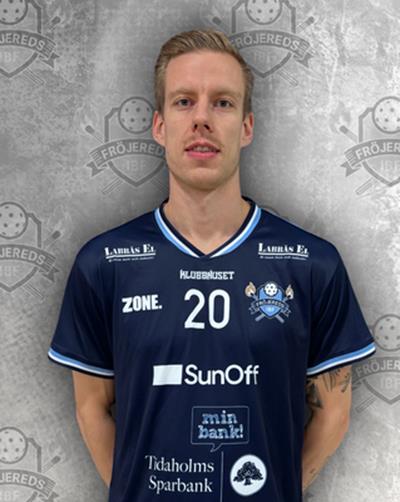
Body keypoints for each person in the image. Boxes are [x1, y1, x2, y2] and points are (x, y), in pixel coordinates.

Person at [47, 28, 376, 501]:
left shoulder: (310, 264)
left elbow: (333, 412)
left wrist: (276, 489)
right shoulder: (105, 264)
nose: (201, 118)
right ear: (159, 126)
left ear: (246, 127)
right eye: (184, 102)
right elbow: (91, 408)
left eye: (222, 103)